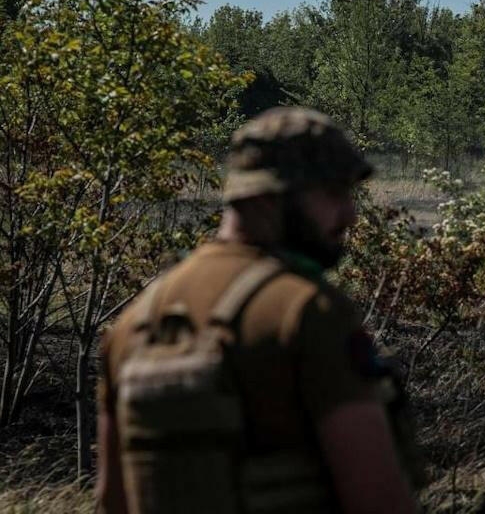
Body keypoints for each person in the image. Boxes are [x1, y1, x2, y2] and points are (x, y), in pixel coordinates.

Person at [96, 107, 420, 514]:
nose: (350, 215)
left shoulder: (134, 322)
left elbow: (113, 501)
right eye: (333, 194)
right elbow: (378, 501)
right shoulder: (307, 311)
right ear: (270, 197)